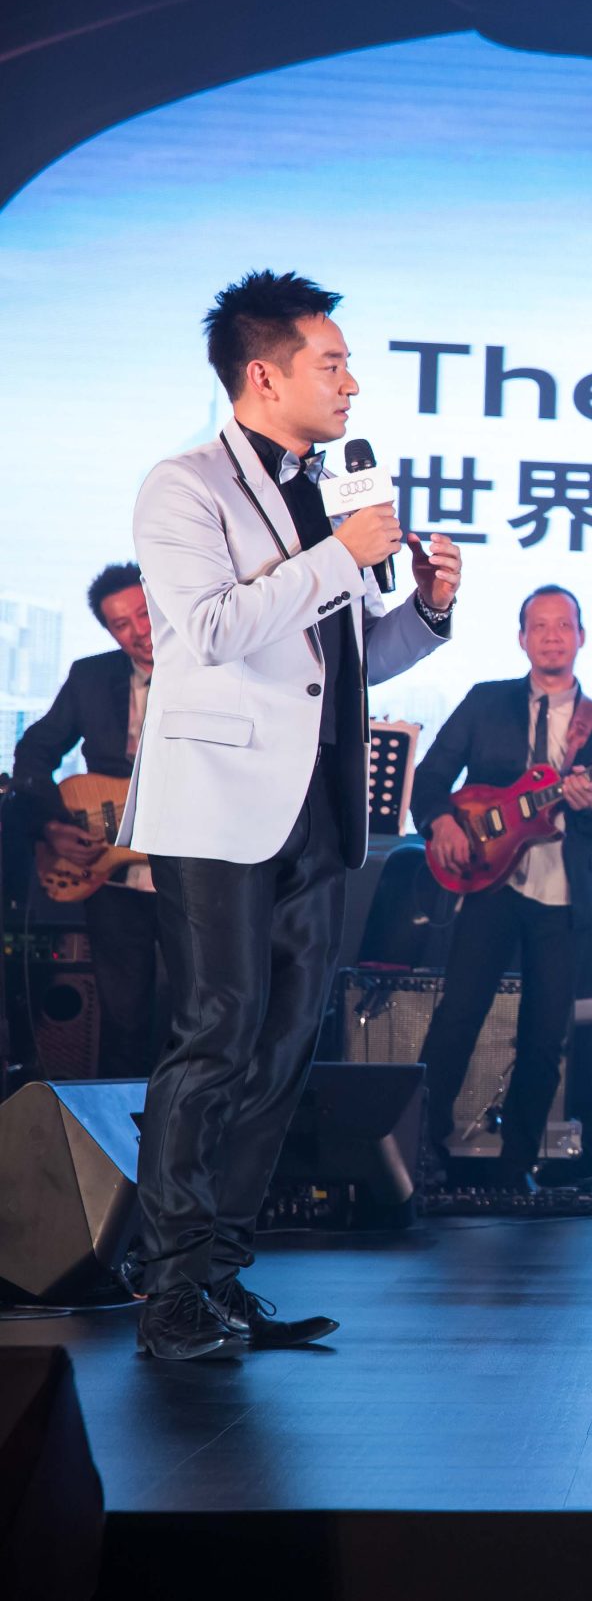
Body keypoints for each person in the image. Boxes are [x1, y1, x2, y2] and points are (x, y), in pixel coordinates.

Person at [122, 270, 461, 1361]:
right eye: (334, 363)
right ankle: (168, 1289)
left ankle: (221, 1277)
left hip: (318, 803)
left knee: (282, 1050)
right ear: (264, 375)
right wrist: (339, 555)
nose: (353, 384)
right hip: (218, 805)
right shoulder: (183, 486)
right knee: (216, 1037)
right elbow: (216, 629)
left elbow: (343, 662)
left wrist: (428, 609)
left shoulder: (329, 497)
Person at [411, 585, 592, 1190]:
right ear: (521, 638)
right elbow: (430, 778)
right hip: (490, 886)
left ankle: (517, 1168)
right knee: (457, 1018)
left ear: (581, 636)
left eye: (563, 625)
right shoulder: (486, 702)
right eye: (540, 626)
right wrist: (440, 823)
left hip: (563, 898)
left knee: (543, 1038)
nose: (552, 636)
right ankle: (421, 1151)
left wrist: (591, 807)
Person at [12, 562, 165, 1078]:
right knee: (123, 1021)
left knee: (200, 1014)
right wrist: (51, 826)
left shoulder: (214, 673)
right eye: (121, 624)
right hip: (112, 878)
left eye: (144, 614)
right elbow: (34, 752)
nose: (139, 631)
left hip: (194, 874)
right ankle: (118, 1123)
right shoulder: (90, 677)